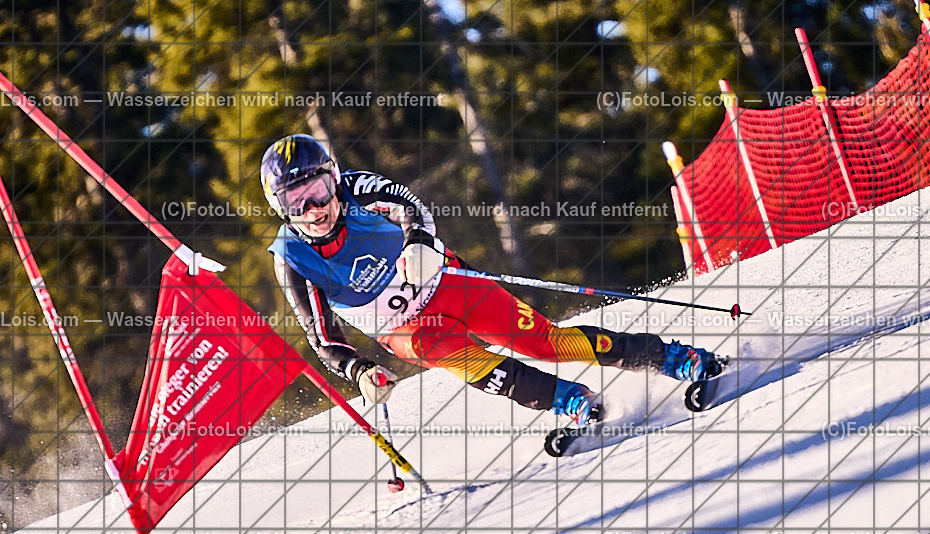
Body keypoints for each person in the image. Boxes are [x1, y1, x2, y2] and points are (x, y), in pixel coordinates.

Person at [264, 134, 722, 427]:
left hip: (445, 281)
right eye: (296, 201)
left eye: (318, 191)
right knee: (441, 350)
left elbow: (409, 205)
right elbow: (323, 338)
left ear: (333, 179)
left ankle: (672, 357)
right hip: (404, 330)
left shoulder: (357, 189)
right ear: (281, 208)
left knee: (543, 342)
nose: (314, 209)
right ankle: (563, 399)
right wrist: (361, 372)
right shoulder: (292, 258)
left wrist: (418, 243)